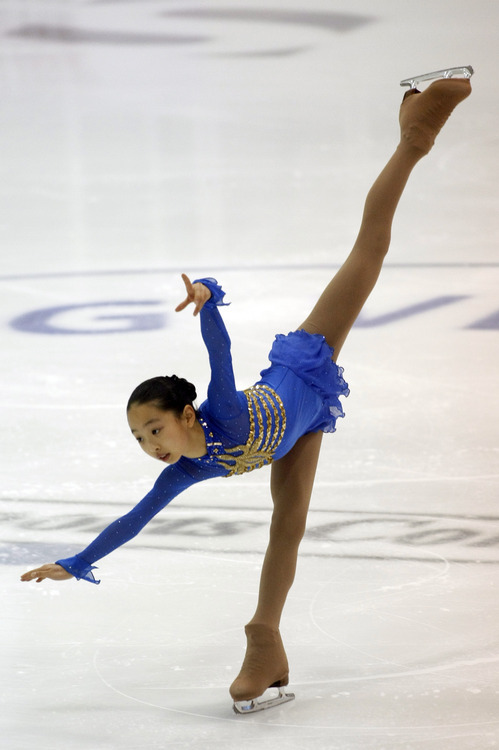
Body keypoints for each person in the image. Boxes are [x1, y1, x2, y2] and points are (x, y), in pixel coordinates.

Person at [21, 71, 472, 711]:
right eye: (139, 438)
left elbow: (220, 352)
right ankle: (267, 641)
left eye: (154, 429)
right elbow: (133, 520)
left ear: (184, 414)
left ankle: (415, 137)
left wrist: (206, 297)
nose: (150, 445)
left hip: (305, 373)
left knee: (367, 253)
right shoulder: (184, 471)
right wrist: (76, 559)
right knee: (285, 531)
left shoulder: (223, 412)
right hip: (299, 431)